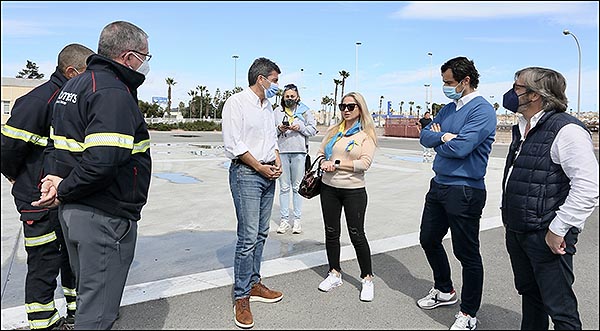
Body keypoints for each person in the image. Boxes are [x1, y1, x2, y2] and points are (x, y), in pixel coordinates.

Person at [31, 21, 152, 330]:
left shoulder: (74, 86)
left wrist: (57, 184)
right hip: (103, 214)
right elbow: (103, 161)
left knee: (88, 296)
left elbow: (60, 148)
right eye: (145, 56)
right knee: (97, 314)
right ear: (128, 57)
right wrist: (64, 189)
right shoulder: (112, 92)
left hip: (77, 211)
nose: (145, 64)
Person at [1, 43, 94, 330]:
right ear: (71, 72)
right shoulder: (39, 101)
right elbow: (7, 149)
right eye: (87, 74)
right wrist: (18, 178)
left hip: (63, 196)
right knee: (43, 262)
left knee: (71, 257)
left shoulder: (70, 100)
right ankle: (44, 323)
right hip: (37, 199)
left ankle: (77, 312)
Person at [500, 67, 599, 330]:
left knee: (560, 308)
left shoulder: (567, 130)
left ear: (535, 95)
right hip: (520, 229)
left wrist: (558, 229)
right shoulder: (524, 126)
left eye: (517, 87)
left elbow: (588, 187)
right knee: (531, 296)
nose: (512, 93)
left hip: (546, 232)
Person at [417, 56, 496, 330]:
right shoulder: (448, 109)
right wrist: (443, 137)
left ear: (465, 81)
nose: (445, 86)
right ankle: (444, 290)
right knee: (427, 238)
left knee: (467, 253)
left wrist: (445, 139)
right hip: (439, 185)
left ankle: (469, 313)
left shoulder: (482, 111)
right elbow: (425, 136)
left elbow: (462, 148)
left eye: (448, 82)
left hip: (465, 189)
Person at [222, 57, 285, 329]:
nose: (276, 86)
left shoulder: (268, 105)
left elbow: (270, 139)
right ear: (261, 79)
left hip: (268, 172)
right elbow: (233, 143)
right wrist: (259, 167)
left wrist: (277, 158)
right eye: (274, 80)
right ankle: (241, 296)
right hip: (247, 173)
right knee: (247, 237)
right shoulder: (235, 103)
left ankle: (254, 283)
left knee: (261, 233)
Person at [315, 92, 378, 302]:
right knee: (331, 232)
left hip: (354, 191)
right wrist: (324, 161)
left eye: (351, 106)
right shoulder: (335, 131)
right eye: (343, 106)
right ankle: (334, 273)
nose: (346, 110)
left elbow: (364, 163)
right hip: (328, 188)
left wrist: (339, 164)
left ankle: (367, 278)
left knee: (357, 234)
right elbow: (320, 152)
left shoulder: (365, 135)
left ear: (360, 108)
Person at [273, 83, 318, 234]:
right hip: (282, 152)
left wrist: (301, 128)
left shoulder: (304, 112)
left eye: (292, 96)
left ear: (297, 97)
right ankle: (284, 220)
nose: (290, 99)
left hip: (299, 152)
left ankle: (297, 220)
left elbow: (313, 130)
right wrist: (280, 129)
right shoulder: (277, 112)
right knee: (284, 187)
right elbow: (270, 133)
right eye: (287, 96)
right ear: (283, 97)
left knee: (297, 187)